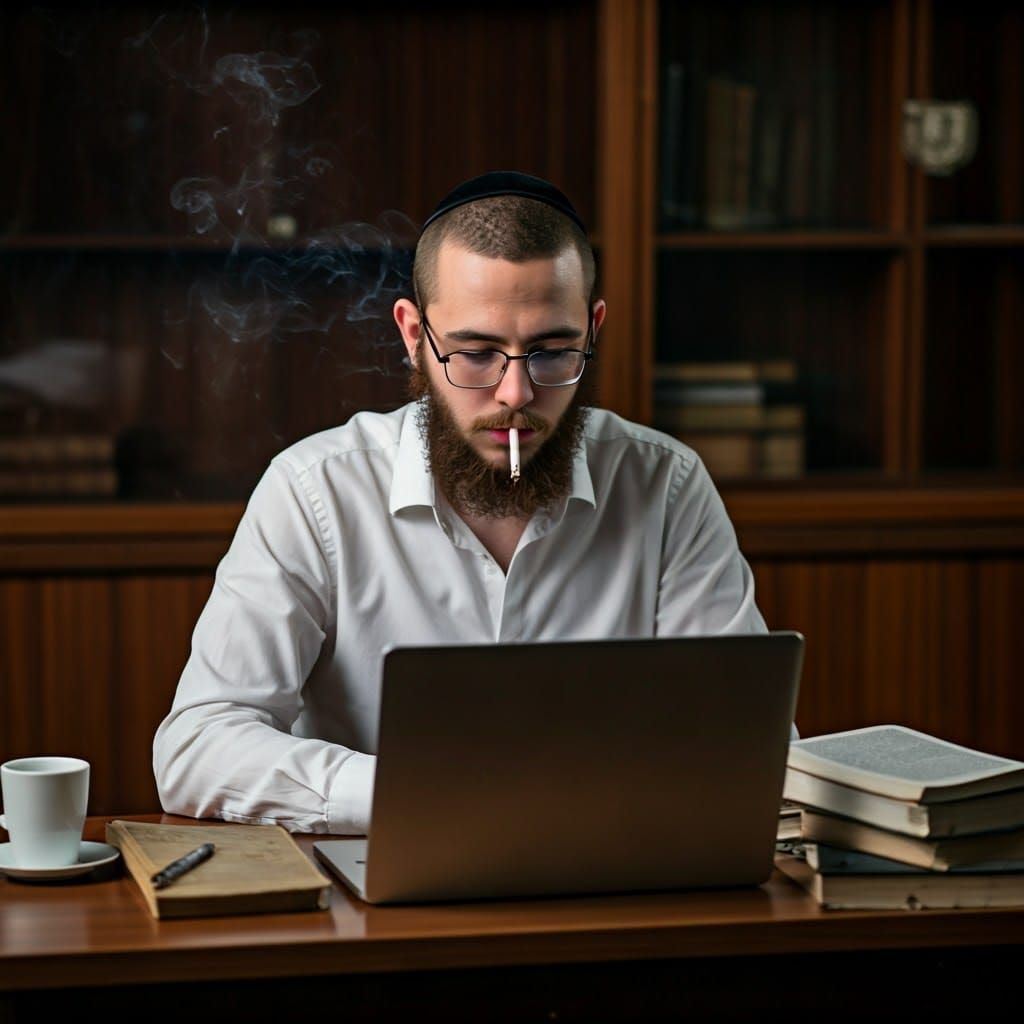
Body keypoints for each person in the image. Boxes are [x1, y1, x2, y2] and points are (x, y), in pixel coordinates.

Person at [153, 171, 766, 834]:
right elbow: (197, 749)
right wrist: (430, 793)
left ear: (593, 327)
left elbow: (749, 743)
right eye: (475, 354)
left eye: (552, 351)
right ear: (414, 334)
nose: (515, 394)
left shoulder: (666, 485)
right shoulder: (315, 491)